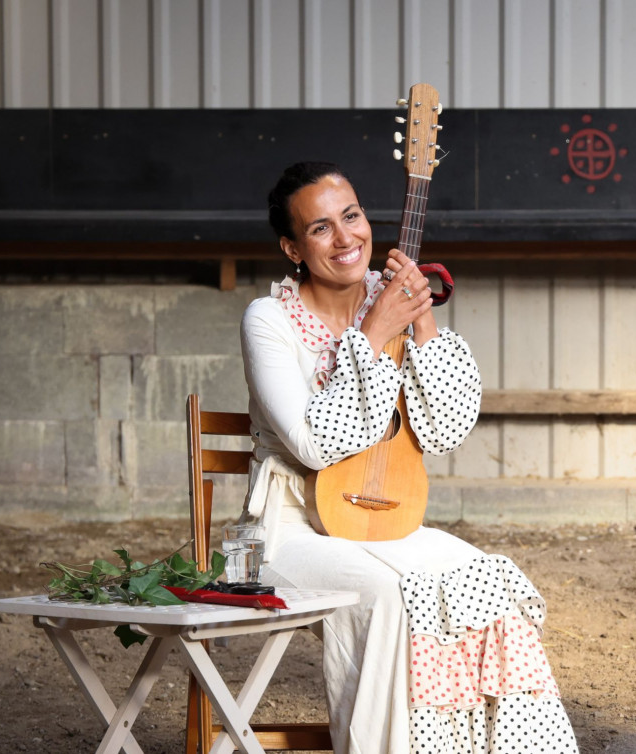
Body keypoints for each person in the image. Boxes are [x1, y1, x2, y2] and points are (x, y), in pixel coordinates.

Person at [239, 161, 578, 754]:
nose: (346, 239)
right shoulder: (269, 320)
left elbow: (446, 430)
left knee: (488, 582)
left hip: (383, 523)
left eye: (352, 216)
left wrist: (421, 322)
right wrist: (371, 331)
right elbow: (313, 444)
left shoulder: (393, 298)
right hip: (291, 532)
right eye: (320, 229)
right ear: (291, 247)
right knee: (394, 597)